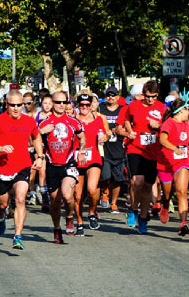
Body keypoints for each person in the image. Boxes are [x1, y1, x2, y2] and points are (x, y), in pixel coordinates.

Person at [0, 90, 44, 249]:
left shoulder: (29, 121)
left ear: (23, 105)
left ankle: (17, 236)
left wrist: (40, 156)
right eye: (12, 105)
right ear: (6, 105)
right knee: (2, 204)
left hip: (23, 165)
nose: (16, 108)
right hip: (2, 167)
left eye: (19, 105)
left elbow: (36, 137)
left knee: (20, 199)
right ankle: (0, 217)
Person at [38, 92, 87, 244]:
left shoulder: (73, 121)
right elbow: (32, 140)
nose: (61, 105)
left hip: (68, 164)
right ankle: (57, 228)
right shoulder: (44, 122)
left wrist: (81, 151)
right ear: (52, 103)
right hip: (52, 165)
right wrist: (41, 133)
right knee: (54, 201)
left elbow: (82, 137)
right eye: (57, 102)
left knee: (67, 195)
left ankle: (70, 216)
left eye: (63, 102)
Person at [118, 80, 166, 234]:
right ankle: (133, 209)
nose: (150, 99)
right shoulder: (133, 106)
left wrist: (159, 126)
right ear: (143, 94)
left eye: (153, 96)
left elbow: (168, 126)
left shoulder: (162, 108)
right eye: (147, 96)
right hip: (135, 148)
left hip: (153, 150)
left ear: (157, 95)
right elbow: (126, 120)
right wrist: (129, 131)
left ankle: (143, 218)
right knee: (137, 182)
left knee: (147, 186)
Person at [157, 98, 189, 236]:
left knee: (182, 191)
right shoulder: (168, 123)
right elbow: (162, 140)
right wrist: (174, 148)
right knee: (167, 193)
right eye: (188, 109)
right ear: (181, 110)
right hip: (166, 163)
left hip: (182, 162)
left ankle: (183, 223)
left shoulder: (186, 124)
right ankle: (166, 204)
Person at [73, 92, 110, 234]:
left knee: (92, 189)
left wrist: (104, 138)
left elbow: (106, 134)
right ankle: (80, 223)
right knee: (77, 196)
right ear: (77, 105)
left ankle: (92, 213)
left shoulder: (99, 119)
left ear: (91, 106)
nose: (84, 107)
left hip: (93, 157)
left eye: (87, 105)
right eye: (81, 105)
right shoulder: (73, 120)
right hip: (77, 159)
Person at [99, 86, 127, 213]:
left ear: (117, 97)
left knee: (118, 178)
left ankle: (114, 203)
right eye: (108, 95)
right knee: (105, 175)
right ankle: (105, 191)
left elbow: (128, 125)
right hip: (104, 147)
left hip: (118, 147)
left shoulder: (123, 110)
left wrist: (119, 131)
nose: (111, 97)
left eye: (113, 95)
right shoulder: (101, 109)